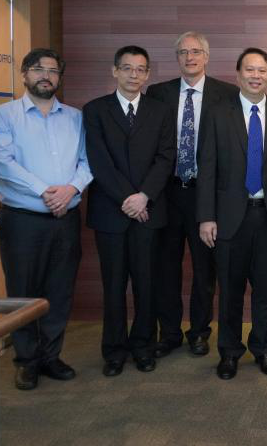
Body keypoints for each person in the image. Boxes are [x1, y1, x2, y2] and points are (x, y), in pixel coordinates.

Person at [0, 48, 93, 390]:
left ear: (59, 77)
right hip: (22, 220)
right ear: (24, 74)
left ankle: (50, 356)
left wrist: (70, 189)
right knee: (23, 291)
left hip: (66, 219)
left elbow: (88, 162)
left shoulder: (76, 117)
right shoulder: (4, 116)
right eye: (38, 69)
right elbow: (4, 164)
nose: (45, 75)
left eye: (52, 70)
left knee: (59, 291)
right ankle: (26, 360)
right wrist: (47, 192)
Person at [197, 48, 267, 380]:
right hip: (228, 219)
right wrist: (206, 216)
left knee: (266, 290)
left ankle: (264, 349)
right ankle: (229, 352)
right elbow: (207, 167)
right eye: (249, 70)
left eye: (262, 70)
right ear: (238, 75)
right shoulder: (217, 113)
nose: (256, 76)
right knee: (230, 291)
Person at [83, 46, 176, 376]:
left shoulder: (160, 110)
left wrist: (144, 196)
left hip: (149, 212)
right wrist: (129, 199)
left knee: (147, 284)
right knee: (113, 286)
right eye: (127, 68)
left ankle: (143, 346)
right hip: (111, 212)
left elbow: (166, 157)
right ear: (115, 71)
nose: (134, 75)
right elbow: (99, 161)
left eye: (140, 69)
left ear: (147, 74)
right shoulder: (95, 110)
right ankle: (114, 350)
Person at [147, 32, 237, 359]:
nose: (190, 57)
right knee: (166, 268)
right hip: (167, 193)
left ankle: (199, 332)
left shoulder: (227, 94)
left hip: (206, 194)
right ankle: (169, 333)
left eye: (196, 51)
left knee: (204, 270)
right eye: (183, 52)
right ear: (177, 58)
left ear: (207, 57)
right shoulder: (158, 94)